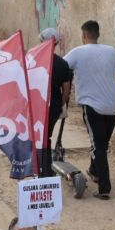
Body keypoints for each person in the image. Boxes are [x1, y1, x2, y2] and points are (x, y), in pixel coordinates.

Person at [67, 19, 115, 199]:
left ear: (83, 35)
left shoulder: (77, 52)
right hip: (113, 107)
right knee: (101, 144)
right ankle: (95, 172)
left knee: (98, 147)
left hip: (93, 106)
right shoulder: (111, 51)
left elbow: (61, 68)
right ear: (98, 34)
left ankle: (104, 189)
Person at [36, 26, 75, 180]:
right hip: (53, 107)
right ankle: (46, 169)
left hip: (37, 106)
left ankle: (41, 169)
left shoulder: (34, 60)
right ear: (56, 43)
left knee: (39, 137)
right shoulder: (62, 64)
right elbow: (66, 90)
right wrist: (61, 104)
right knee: (47, 137)